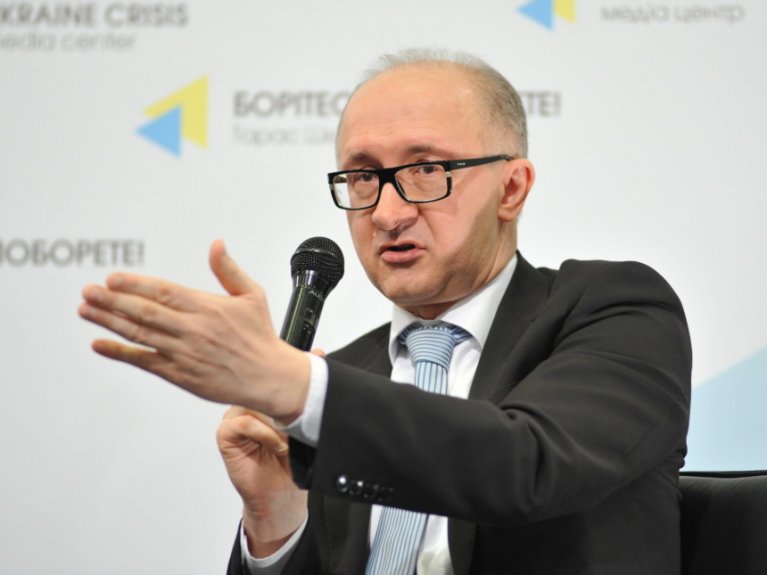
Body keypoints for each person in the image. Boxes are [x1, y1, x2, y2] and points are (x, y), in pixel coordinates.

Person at [79, 49, 692, 574]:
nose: (387, 213)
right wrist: (276, 521)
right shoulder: (346, 378)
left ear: (512, 188)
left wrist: (295, 386)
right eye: (363, 176)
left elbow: (525, 467)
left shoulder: (613, 310)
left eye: (426, 170)